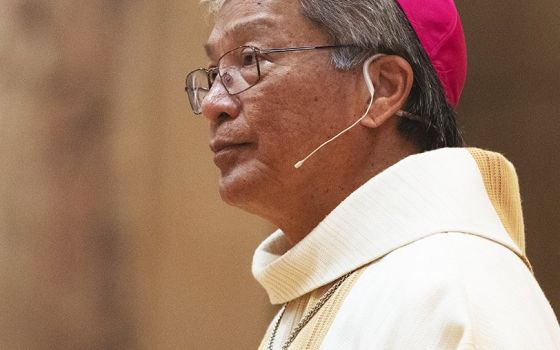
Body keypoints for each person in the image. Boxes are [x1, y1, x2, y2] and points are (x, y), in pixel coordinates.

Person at [186, 0, 560, 348]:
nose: (213, 103)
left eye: (252, 59)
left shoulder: (455, 287)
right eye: (216, 71)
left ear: (382, 89)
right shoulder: (309, 298)